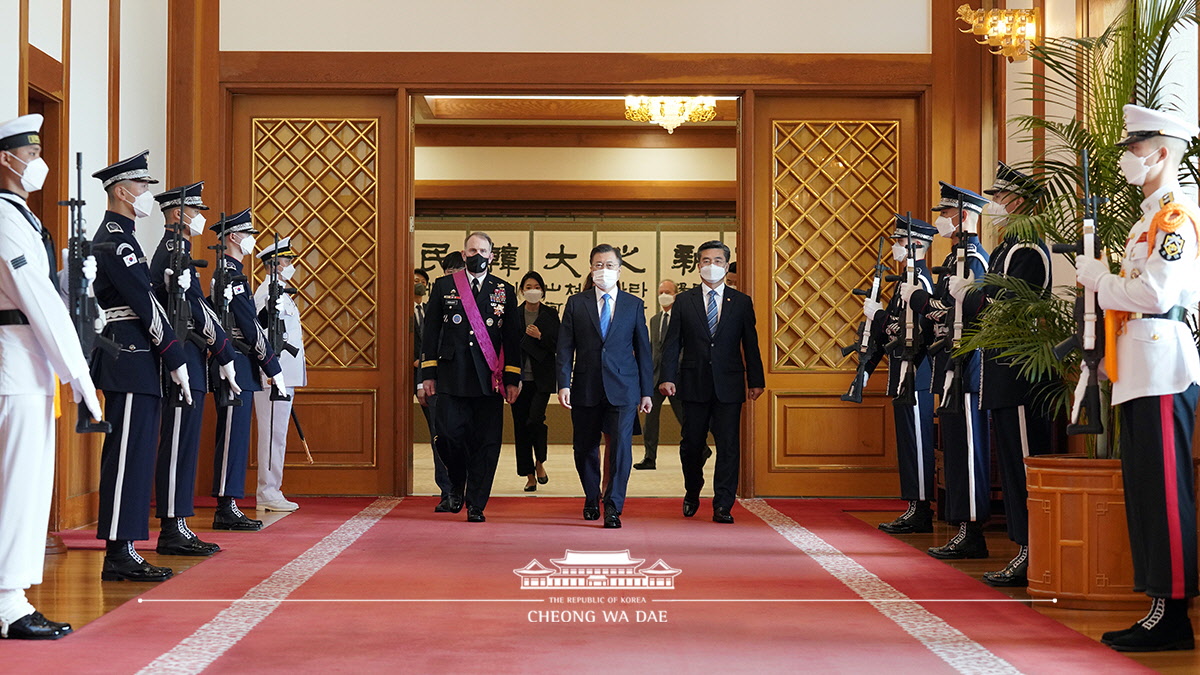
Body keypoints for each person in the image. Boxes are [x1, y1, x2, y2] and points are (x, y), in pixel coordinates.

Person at [1077, 105, 1200, 652]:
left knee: (1167, 495)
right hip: (1138, 368)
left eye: (1136, 147)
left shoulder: (1173, 218)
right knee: (1147, 493)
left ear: (1163, 153)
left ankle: (1174, 613)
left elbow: (1157, 295)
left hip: (1163, 366)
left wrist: (1102, 280)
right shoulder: (1144, 222)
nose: (1127, 157)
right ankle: (1158, 605)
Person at [0, 114, 102, 638]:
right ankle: (8, 603)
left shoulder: (22, 216)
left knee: (26, 484)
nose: (38, 162)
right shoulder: (5, 216)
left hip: (28, 362)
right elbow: (35, 301)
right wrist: (80, 375)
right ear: (6, 159)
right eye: (30, 152)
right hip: (14, 362)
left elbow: (51, 293)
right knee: (20, 485)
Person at [89, 151, 189, 582]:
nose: (148, 193)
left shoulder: (127, 236)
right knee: (127, 455)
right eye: (143, 186)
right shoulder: (115, 236)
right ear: (122, 191)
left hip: (139, 358)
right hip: (127, 357)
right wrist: (174, 355)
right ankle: (118, 549)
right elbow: (143, 303)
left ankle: (127, 545)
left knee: (139, 452)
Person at [971, 163, 1055, 587]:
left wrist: (981, 291)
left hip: (1021, 372)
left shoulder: (1028, 249)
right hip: (1001, 371)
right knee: (1010, 463)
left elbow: (1007, 300)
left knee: (1024, 466)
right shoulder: (1007, 249)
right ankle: (1023, 547)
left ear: (1020, 201)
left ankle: (1032, 550)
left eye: (1003, 199)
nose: (998, 206)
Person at [148, 181, 238, 556]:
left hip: (192, 359)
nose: (201, 218)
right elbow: (196, 310)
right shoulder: (173, 249)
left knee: (185, 445)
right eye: (196, 211)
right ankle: (172, 525)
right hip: (180, 359)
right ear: (178, 213)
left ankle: (179, 522)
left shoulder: (182, 249)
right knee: (177, 444)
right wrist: (224, 349)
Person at [902, 182, 990, 558]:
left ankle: (973, 531)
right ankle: (961, 528)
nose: (940, 220)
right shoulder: (956, 257)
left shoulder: (974, 258)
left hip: (968, 363)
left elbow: (973, 309)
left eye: (946, 213)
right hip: (949, 365)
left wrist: (920, 299)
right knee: (955, 450)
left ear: (966, 216)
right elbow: (943, 310)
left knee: (968, 450)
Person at [659, 240, 765, 524]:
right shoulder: (684, 301)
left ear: (727, 265)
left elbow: (750, 344)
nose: (712, 266)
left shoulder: (741, 302)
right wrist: (667, 377)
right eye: (706, 260)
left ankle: (723, 504)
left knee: (729, 445)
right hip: (692, 383)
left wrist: (756, 379)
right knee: (691, 444)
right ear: (697, 266)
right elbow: (672, 343)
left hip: (729, 384)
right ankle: (692, 491)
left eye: (718, 261)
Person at [421, 232, 521, 522]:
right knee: (449, 436)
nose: (477, 255)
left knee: (486, 444)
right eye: (472, 250)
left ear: (491, 256)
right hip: (452, 376)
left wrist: (513, 378)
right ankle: (456, 481)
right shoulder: (444, 286)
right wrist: (427, 374)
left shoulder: (503, 289)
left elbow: (512, 338)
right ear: (463, 254)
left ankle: (476, 503)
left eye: (482, 250)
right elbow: (430, 335)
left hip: (489, 380)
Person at [557, 243, 653, 528]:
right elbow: (565, 348)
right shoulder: (577, 302)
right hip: (585, 385)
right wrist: (564, 383)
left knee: (622, 447)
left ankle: (613, 505)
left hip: (623, 388)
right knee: (584, 446)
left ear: (620, 270)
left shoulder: (633, 304)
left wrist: (646, 391)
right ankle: (591, 496)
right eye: (598, 265)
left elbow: (644, 351)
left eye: (610, 266)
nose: (604, 270)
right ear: (590, 268)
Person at [861, 215, 937, 534]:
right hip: (903, 374)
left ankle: (920, 509)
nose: (895, 246)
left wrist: (877, 316)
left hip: (917, 374)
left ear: (915, 245)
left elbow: (918, 330)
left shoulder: (920, 281)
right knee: (907, 443)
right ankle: (913, 505)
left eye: (900, 241)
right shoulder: (905, 281)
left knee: (917, 443)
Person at [208, 209, 283, 530]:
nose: (252, 241)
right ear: (234, 238)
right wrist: (272, 365)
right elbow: (247, 328)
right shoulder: (230, 274)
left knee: (237, 435)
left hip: (240, 360)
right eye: (248, 235)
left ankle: (230, 502)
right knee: (232, 437)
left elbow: (250, 320)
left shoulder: (234, 273)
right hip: (235, 361)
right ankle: (226, 505)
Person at [253, 237, 306, 512]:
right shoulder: (266, 294)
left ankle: (273, 488)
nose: (291, 266)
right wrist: (271, 373)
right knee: (273, 433)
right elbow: (262, 334)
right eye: (287, 262)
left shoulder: (283, 294)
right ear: (274, 266)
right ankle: (268, 491)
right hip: (273, 377)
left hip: (285, 376)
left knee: (279, 433)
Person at [634, 279, 710, 470]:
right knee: (650, 420)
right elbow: (654, 349)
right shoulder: (655, 320)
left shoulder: (684, 316)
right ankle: (649, 457)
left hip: (677, 378)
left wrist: (675, 370)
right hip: (655, 377)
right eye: (661, 292)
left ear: (676, 294)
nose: (663, 295)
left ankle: (702, 448)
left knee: (685, 417)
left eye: (668, 291)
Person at [513, 271, 559, 491]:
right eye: (528, 286)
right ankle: (529, 475)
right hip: (519, 380)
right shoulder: (513, 314)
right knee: (520, 427)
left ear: (542, 290)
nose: (532, 290)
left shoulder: (550, 314)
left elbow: (559, 345)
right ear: (522, 290)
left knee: (535, 420)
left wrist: (540, 337)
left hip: (541, 380)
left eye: (536, 286)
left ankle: (540, 461)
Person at [414, 266, 453, 510]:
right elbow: (426, 347)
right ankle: (447, 491)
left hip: (466, 385)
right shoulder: (433, 309)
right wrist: (422, 380)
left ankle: (466, 489)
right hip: (434, 384)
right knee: (439, 437)